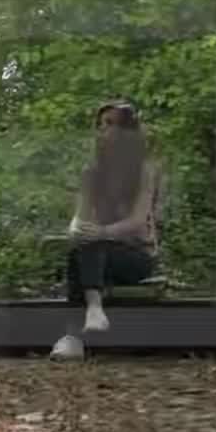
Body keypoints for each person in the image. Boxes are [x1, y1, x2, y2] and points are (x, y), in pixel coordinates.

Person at [50, 98, 160, 361]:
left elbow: (137, 221)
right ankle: (93, 312)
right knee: (82, 246)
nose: (104, 130)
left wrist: (101, 233)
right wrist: (77, 230)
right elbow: (79, 217)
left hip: (136, 257)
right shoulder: (91, 172)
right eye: (101, 125)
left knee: (86, 249)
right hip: (98, 253)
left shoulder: (144, 171)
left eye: (112, 124)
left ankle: (74, 336)